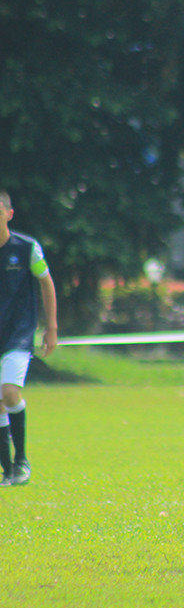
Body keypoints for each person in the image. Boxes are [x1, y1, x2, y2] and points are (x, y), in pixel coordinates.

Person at [0, 190, 57, 487]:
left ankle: (21, 459)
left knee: (9, 393)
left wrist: (52, 328)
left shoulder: (26, 248)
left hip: (19, 334)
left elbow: (46, 283)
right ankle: (7, 469)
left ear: (9, 214)